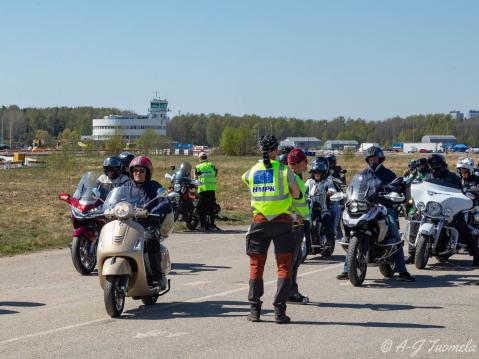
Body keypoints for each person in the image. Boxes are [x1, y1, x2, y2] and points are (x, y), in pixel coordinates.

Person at [242, 135, 300, 324]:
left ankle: (254, 311)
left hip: (259, 222)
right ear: (276, 150)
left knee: (256, 266)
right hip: (283, 222)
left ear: (261, 150)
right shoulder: (285, 171)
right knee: (284, 266)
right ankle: (279, 312)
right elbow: (297, 194)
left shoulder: (250, 172)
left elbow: (249, 185)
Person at [336, 146, 415, 282]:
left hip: (384, 207)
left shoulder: (389, 175)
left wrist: (393, 191)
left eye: (375, 158)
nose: (373, 161)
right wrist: (346, 195)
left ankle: (402, 271)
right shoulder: (361, 175)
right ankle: (347, 269)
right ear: (367, 160)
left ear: (380, 159)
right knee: (352, 233)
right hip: (365, 207)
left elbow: (396, 187)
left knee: (393, 230)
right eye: (370, 159)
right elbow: (353, 189)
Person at [121, 156, 172, 287]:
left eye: (141, 170)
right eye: (135, 170)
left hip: (148, 224)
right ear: (131, 172)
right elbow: (114, 199)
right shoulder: (125, 187)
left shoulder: (154, 186)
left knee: (149, 239)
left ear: (147, 173)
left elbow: (164, 201)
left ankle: (157, 276)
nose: (138, 173)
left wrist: (151, 211)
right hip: (128, 224)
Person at [423, 154, 479, 266]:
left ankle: (477, 255)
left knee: (463, 228)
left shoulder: (453, 177)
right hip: (435, 208)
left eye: (436, 164)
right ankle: (412, 253)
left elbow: (459, 192)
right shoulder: (430, 177)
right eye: (432, 165)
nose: (434, 167)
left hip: (451, 209)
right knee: (415, 219)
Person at [286, 148, 310, 304]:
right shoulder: (291, 178)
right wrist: (293, 216)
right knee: (292, 260)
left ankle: (290, 291)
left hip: (299, 223)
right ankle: (290, 293)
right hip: (294, 224)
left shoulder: (296, 177)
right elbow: (285, 202)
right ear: (298, 163)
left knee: (296, 258)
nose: (307, 164)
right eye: (304, 161)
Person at [304, 157, 336, 254]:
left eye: (319, 172)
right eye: (315, 172)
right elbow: (302, 189)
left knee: (328, 220)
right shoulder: (309, 182)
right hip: (310, 209)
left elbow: (332, 188)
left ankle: (329, 241)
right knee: (304, 222)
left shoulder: (328, 181)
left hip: (323, 209)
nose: (317, 174)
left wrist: (331, 192)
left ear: (323, 173)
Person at [195, 152, 220, 231]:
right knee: (211, 208)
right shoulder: (212, 166)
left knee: (200, 208)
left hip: (202, 190)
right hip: (211, 189)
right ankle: (212, 225)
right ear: (206, 157)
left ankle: (203, 225)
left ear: (199, 158)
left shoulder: (198, 167)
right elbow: (215, 174)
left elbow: (194, 179)